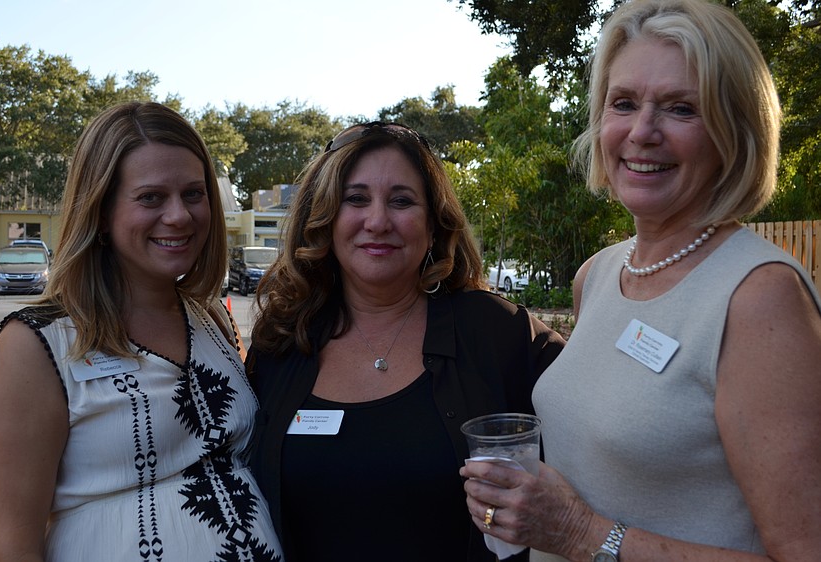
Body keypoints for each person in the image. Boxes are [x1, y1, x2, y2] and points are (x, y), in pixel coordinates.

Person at [461, 0, 821, 560]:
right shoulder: (598, 275)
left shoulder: (760, 298)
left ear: (735, 129)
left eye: (681, 108)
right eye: (623, 103)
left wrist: (580, 533)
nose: (643, 132)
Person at [245, 121, 565, 561]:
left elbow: (607, 429)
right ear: (323, 218)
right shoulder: (281, 342)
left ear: (433, 224)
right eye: (355, 199)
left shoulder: (496, 333)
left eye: (401, 201)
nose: (377, 221)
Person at [0, 101, 283, 561]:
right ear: (100, 212)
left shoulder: (212, 317)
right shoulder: (36, 344)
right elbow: (6, 547)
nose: (179, 215)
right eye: (151, 197)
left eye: (194, 194)